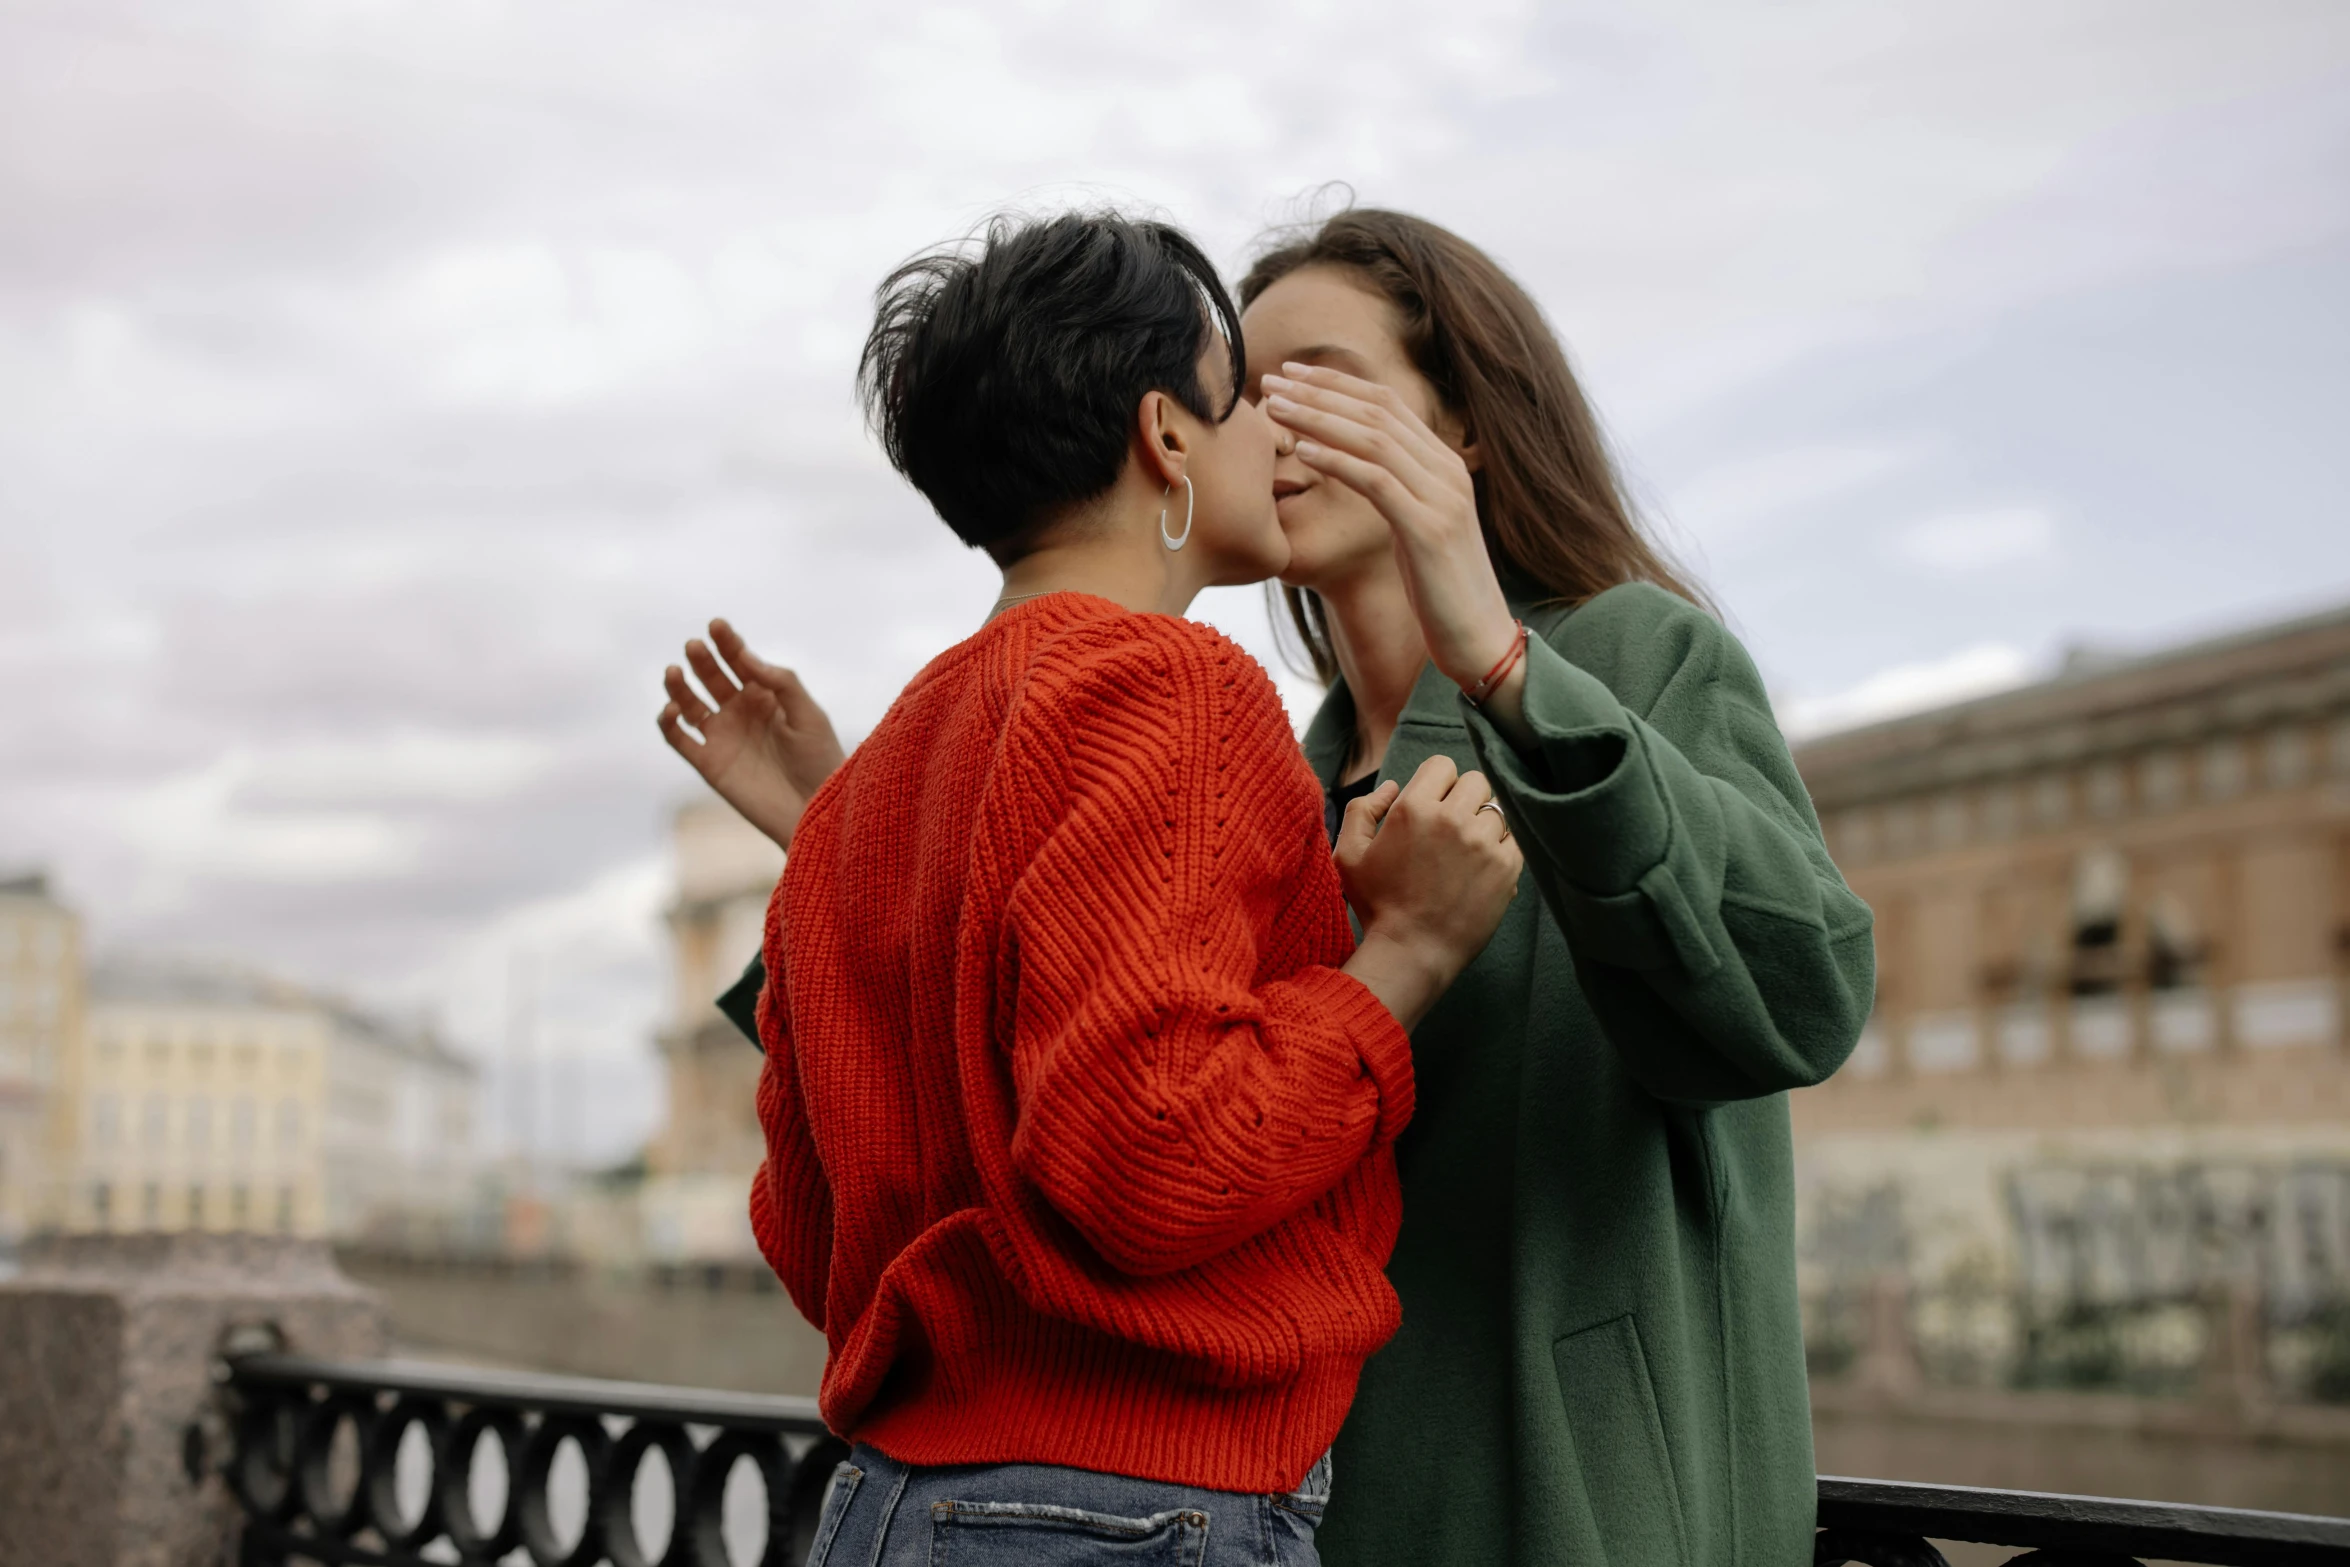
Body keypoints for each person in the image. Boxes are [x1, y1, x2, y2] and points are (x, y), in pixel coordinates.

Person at [658, 210, 1521, 1567]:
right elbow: (1151, 1155)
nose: (1271, 442)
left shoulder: (870, 784)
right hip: (1127, 1512)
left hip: (886, 1508)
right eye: (1238, 405)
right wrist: (1406, 952)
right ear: (1165, 438)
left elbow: (812, 1229)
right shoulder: (1173, 685)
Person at [1236, 210, 1874, 1567]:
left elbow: (1803, 996)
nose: (1269, 418)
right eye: (1237, 391)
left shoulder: (1634, 657)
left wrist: (1505, 671)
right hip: (1302, 1514)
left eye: (1319, 374)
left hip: (1580, 1506)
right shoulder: (1265, 786)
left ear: (1463, 424)